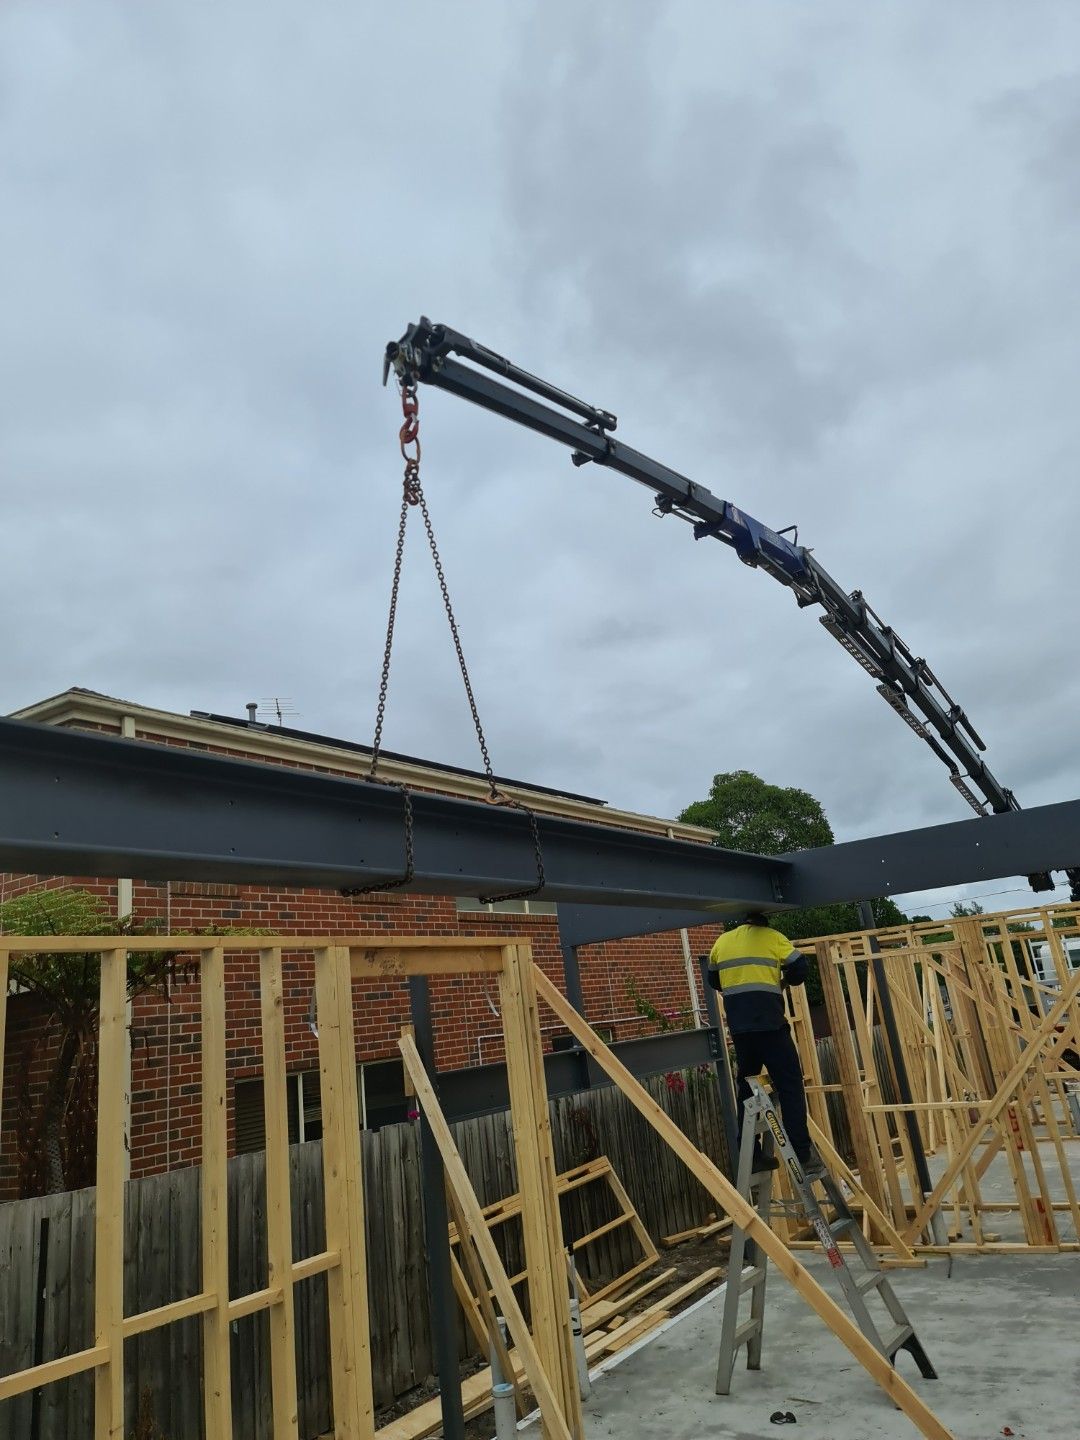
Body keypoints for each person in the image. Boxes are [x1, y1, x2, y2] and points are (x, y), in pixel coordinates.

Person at [708, 910, 825, 1179]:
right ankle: (803, 1154)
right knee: (790, 1084)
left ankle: (752, 1155)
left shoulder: (722, 942)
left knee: (747, 1089)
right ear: (764, 921)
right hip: (771, 1027)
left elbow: (714, 980)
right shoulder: (773, 938)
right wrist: (782, 980)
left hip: (741, 1031)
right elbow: (799, 969)